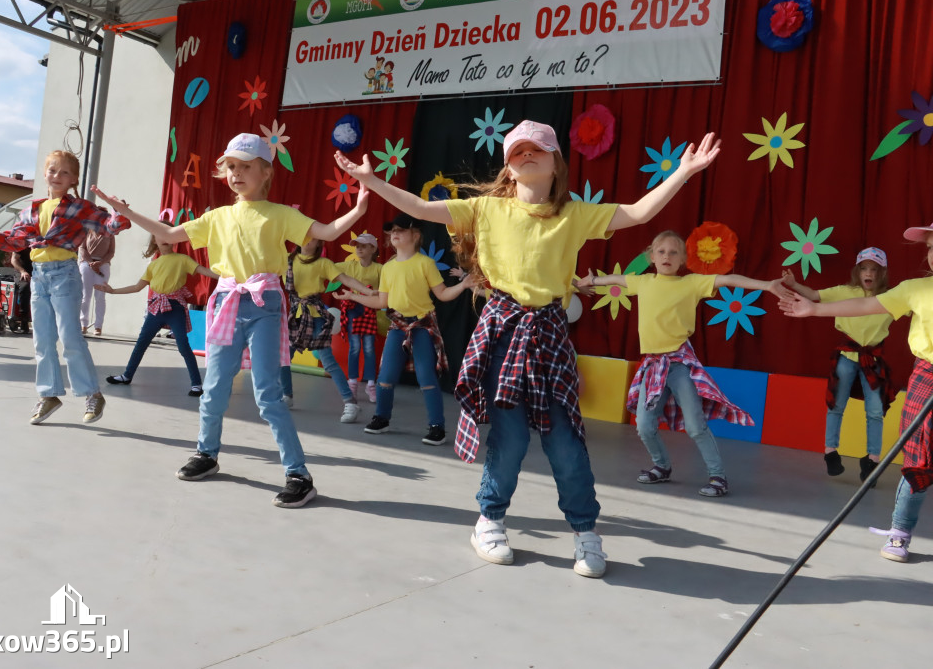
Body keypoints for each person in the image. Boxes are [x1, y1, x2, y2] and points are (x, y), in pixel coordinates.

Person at [336, 120, 721, 577]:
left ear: (556, 162)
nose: (526, 156)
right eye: (517, 152)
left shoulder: (575, 214)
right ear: (508, 167)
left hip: (548, 332)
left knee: (565, 441)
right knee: (511, 437)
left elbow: (637, 213)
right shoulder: (485, 209)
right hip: (503, 329)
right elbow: (419, 206)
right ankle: (489, 519)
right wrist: (372, 181)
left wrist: (685, 172)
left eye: (536, 150)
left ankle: (585, 531)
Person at [91, 133, 369, 508]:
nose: (236, 173)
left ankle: (298, 474)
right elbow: (169, 233)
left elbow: (328, 231)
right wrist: (125, 212)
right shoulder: (217, 217)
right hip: (227, 302)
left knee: (268, 394)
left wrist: (361, 205)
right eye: (231, 167)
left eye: (245, 166)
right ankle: (207, 454)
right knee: (214, 387)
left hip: (264, 302)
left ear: (265, 172)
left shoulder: (281, 214)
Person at [576, 230, 789, 498]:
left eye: (674, 252)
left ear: (683, 260)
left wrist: (767, 285)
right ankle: (662, 466)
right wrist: (591, 280)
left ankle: (718, 477)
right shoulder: (643, 282)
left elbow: (730, 278)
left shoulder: (692, 284)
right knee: (644, 425)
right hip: (653, 366)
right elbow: (615, 279)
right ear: (652, 257)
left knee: (695, 425)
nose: (667, 256)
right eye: (661, 251)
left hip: (679, 365)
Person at [780, 223, 933, 563]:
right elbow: (865, 307)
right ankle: (900, 532)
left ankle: (874, 463)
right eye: (932, 248)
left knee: (879, 414)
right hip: (927, 375)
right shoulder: (915, 289)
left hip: (884, 361)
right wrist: (813, 309)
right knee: (918, 456)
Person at [0, 150, 130, 424]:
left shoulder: (81, 208)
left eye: (64, 172)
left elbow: (109, 226)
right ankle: (49, 395)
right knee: (43, 340)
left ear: (74, 179)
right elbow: (15, 240)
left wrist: (120, 210)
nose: (57, 176)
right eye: (52, 170)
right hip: (39, 276)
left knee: (70, 337)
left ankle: (92, 394)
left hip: (65, 274)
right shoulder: (32, 210)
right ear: (45, 173)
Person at [333, 213, 475, 444]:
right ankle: (381, 417)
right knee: (385, 377)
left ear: (415, 235)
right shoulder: (388, 268)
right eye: (393, 231)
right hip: (398, 326)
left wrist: (463, 285)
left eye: (401, 230)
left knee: (427, 377)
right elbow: (382, 302)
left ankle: (437, 427)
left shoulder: (425, 264)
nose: (395, 234)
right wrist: (353, 296)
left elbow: (442, 294)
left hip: (421, 326)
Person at [780, 248, 894, 480]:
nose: (868, 273)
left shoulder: (891, 297)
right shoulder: (845, 292)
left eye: (874, 269)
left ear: (882, 273)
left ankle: (872, 461)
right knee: (836, 404)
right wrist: (793, 283)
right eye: (864, 268)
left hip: (872, 359)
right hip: (847, 356)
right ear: (858, 271)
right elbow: (813, 295)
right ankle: (830, 452)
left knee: (875, 411)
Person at [98, 236, 219, 396]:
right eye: (160, 235)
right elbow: (136, 287)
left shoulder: (182, 259)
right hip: (156, 308)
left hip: (175, 308)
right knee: (141, 342)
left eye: (168, 235)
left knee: (183, 346)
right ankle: (127, 375)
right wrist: (113, 291)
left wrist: (228, 277)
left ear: (174, 239)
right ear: (154, 241)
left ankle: (196, 384)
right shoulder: (153, 265)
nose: (165, 238)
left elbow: (204, 271)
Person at [280, 237, 376, 422]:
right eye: (304, 236)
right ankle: (287, 396)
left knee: (328, 361)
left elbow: (345, 278)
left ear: (319, 244)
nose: (308, 240)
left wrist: (368, 291)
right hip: (295, 316)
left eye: (313, 238)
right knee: (282, 357)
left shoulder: (323, 263)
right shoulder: (286, 260)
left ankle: (350, 403)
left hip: (315, 317)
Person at [336, 232, 384, 403]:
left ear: (373, 248)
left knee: (369, 348)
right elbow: (328, 267)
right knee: (354, 347)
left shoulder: (380, 269)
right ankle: (352, 385)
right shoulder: (349, 266)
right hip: (352, 310)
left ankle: (371, 385)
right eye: (357, 246)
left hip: (370, 311)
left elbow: (387, 286)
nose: (359, 249)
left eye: (363, 246)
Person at [78, 229, 115, 335]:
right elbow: (82, 248)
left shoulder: (110, 233)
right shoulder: (86, 231)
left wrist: (100, 263)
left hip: (103, 264)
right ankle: (83, 324)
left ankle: (98, 326)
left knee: (100, 296)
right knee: (85, 295)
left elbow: (111, 252)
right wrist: (91, 263)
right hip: (86, 263)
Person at [9, 248, 32, 333]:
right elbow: (14, 260)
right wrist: (22, 271)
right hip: (21, 271)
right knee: (25, 286)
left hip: (38, 272)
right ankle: (24, 320)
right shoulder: (21, 242)